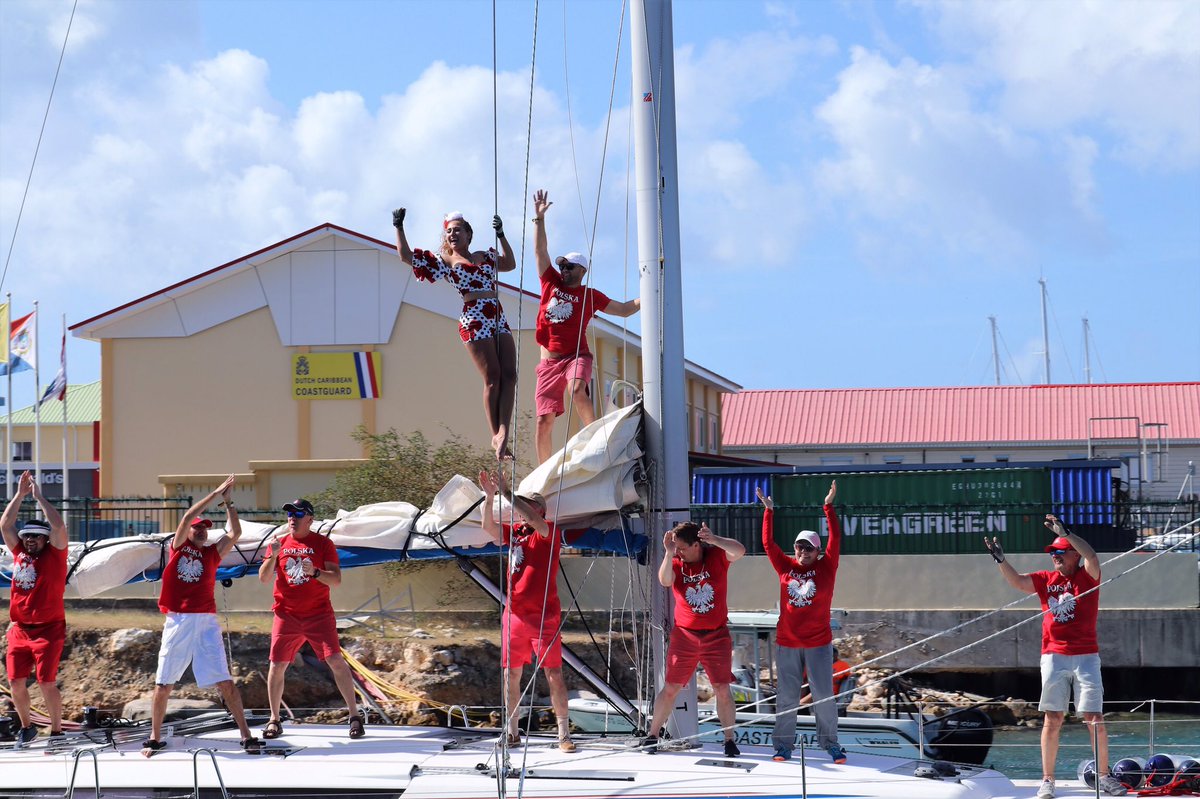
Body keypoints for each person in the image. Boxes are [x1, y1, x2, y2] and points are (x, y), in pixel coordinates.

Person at [986, 515, 1127, 798]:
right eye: (1053, 553)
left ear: (1074, 555)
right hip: (1053, 656)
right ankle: (1047, 780)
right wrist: (1001, 560)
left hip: (1086, 656)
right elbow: (1018, 582)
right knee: (1053, 718)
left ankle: (1103, 775)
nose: (1055, 557)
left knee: (1094, 718)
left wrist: (1067, 533)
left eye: (1061, 552)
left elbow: (1093, 556)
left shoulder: (1088, 577)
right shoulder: (1045, 579)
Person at [142, 475, 260, 756]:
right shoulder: (178, 547)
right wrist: (214, 493)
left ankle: (246, 735)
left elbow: (235, 533)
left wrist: (228, 502)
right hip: (179, 620)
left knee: (224, 680)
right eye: (198, 528)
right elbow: (187, 517)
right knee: (164, 682)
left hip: (206, 621)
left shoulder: (211, 555)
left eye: (206, 529)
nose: (202, 531)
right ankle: (155, 737)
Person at [393, 206, 518, 459]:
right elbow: (406, 256)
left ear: (469, 234)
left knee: (510, 375)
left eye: (457, 230)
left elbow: (510, 264)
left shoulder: (484, 256)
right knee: (493, 377)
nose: (452, 234)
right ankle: (496, 434)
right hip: (474, 318)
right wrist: (399, 226)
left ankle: (504, 428)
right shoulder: (446, 261)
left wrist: (501, 234)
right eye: (449, 231)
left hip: (496, 314)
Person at [530, 189, 640, 463]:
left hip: (575, 357)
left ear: (582, 271)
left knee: (577, 389)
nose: (564, 270)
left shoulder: (590, 296)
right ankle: (544, 471)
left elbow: (624, 310)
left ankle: (596, 442)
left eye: (569, 267)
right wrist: (539, 219)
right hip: (548, 363)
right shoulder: (550, 282)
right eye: (563, 266)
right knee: (543, 420)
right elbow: (540, 251)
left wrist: (649, 294)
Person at [479, 470, 576, 752]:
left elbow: (534, 520)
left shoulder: (547, 531)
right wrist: (489, 497)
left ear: (538, 510)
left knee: (553, 673)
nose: (518, 511)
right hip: (515, 615)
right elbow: (488, 527)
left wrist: (508, 493)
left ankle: (563, 733)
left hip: (544, 616)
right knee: (511, 674)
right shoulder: (516, 534)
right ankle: (512, 731)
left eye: (525, 505)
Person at [258, 498, 364, 740]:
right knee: (277, 664)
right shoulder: (278, 543)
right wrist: (273, 556)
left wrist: (315, 572)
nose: (292, 518)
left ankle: (354, 716)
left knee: (335, 660)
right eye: (289, 514)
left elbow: (336, 579)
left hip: (318, 614)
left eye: (298, 514)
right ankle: (274, 719)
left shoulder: (323, 544)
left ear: (310, 519)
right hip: (286, 614)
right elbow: (264, 578)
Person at [757, 482, 847, 764]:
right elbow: (768, 544)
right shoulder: (785, 567)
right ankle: (783, 747)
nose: (803, 551)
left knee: (823, 695)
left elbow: (835, 538)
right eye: (799, 546)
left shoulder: (826, 567)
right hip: (788, 643)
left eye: (809, 548)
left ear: (818, 551)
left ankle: (831, 744)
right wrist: (769, 512)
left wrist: (828, 507)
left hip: (818, 643)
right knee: (787, 697)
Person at [642, 520, 746, 758]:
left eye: (682, 548)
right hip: (685, 636)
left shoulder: (716, 557)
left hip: (716, 635)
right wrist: (669, 553)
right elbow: (664, 581)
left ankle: (729, 739)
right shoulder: (676, 562)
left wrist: (715, 539)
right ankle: (652, 735)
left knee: (722, 688)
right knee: (671, 687)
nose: (679, 552)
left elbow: (740, 550)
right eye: (676, 548)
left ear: (696, 545)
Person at [1, 471, 68, 744]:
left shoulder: (55, 555)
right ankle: (27, 727)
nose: (30, 539)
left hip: (48, 630)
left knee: (45, 682)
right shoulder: (20, 554)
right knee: (15, 682)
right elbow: (6, 525)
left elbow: (59, 527)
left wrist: (39, 497)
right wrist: (19, 495)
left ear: (45, 540)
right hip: (19, 630)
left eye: (37, 536)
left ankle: (57, 731)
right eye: (27, 535)